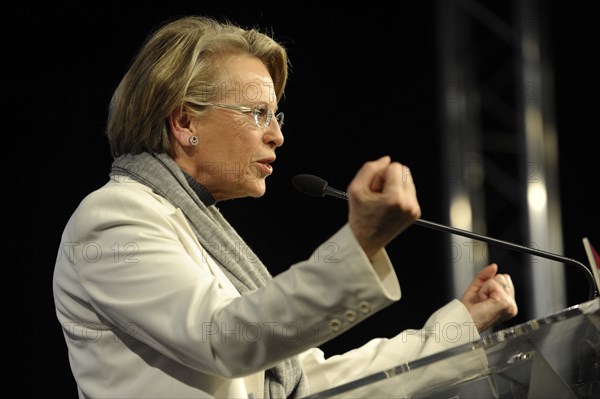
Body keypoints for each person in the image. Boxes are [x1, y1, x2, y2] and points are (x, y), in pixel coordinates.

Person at [52, 15, 518, 398]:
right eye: (258, 113)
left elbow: (310, 383)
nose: (277, 135)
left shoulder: (203, 237)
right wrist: (361, 242)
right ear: (184, 120)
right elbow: (227, 340)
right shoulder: (113, 219)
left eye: (276, 115)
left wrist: (459, 328)